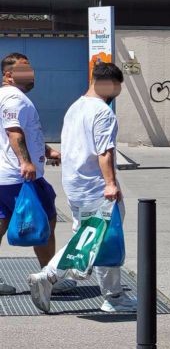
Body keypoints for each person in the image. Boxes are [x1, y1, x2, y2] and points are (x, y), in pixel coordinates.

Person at [28, 63, 136, 313]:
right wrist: (110, 184)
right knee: (104, 238)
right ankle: (111, 296)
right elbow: (104, 152)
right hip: (95, 186)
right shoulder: (103, 112)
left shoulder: (75, 107)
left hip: (75, 184)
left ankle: (57, 276)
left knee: (86, 236)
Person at [0, 53, 71, 296]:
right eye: (23, 71)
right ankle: (48, 276)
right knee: (46, 223)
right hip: (20, 178)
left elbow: (27, 135)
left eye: (31, 70)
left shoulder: (7, 96)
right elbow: (14, 132)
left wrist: (49, 152)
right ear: (8, 75)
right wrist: (26, 162)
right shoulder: (13, 98)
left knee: (1, 224)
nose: (31, 75)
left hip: (6, 176)